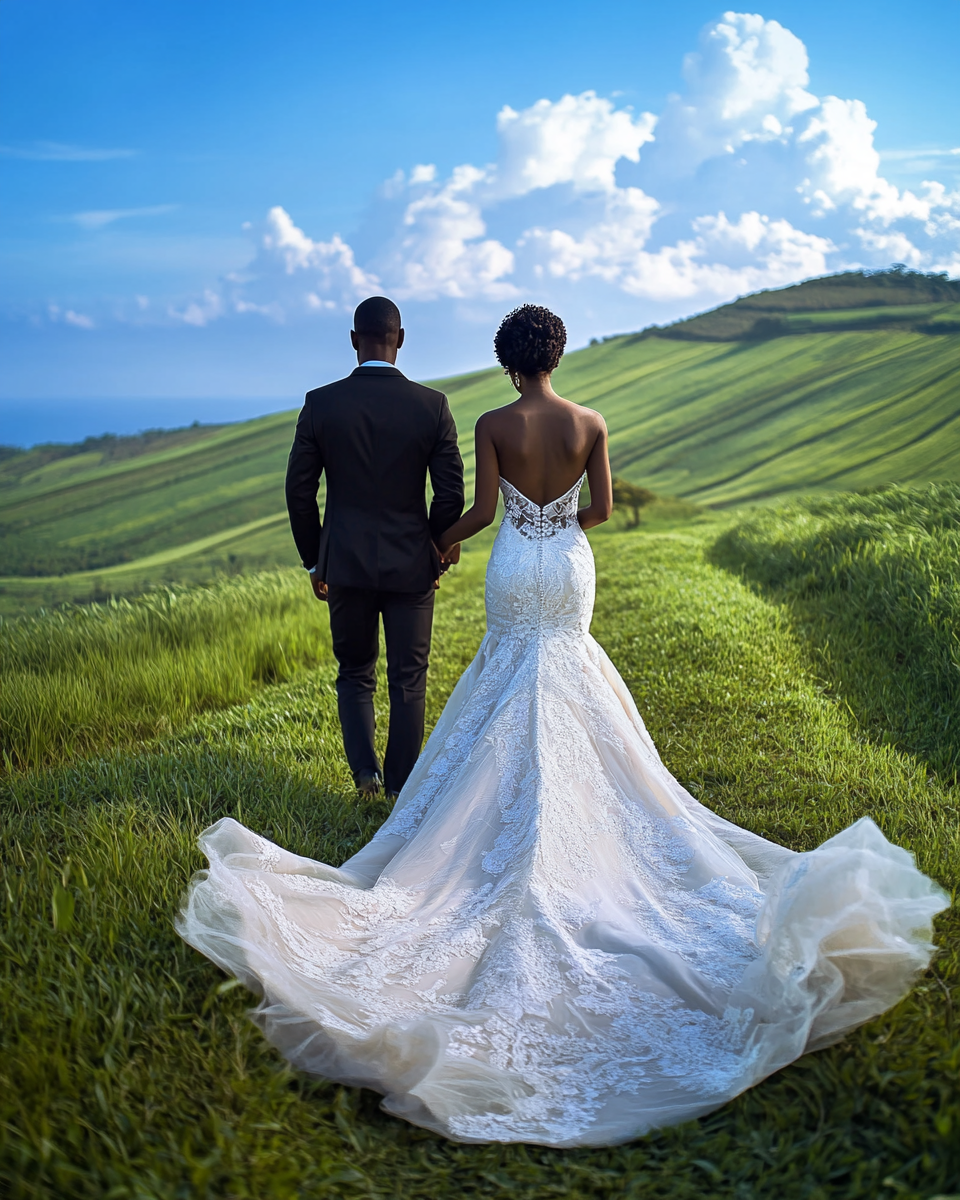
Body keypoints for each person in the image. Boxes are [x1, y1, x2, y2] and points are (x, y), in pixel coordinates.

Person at [179, 304, 946, 1148]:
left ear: (509, 360)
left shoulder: (493, 420)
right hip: (568, 568)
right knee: (567, 676)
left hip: (513, 565)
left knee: (503, 676)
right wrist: (557, 530)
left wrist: (451, 542)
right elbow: (605, 510)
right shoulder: (590, 422)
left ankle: (442, 804)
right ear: (559, 354)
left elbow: (477, 509)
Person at [284, 296, 464, 799]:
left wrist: (315, 557)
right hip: (412, 566)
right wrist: (436, 545)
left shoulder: (321, 403)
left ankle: (365, 776)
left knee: (355, 671)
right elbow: (450, 492)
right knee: (409, 678)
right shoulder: (433, 406)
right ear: (400, 339)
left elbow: (299, 490)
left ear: (353, 340)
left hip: (343, 563)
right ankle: (402, 786)